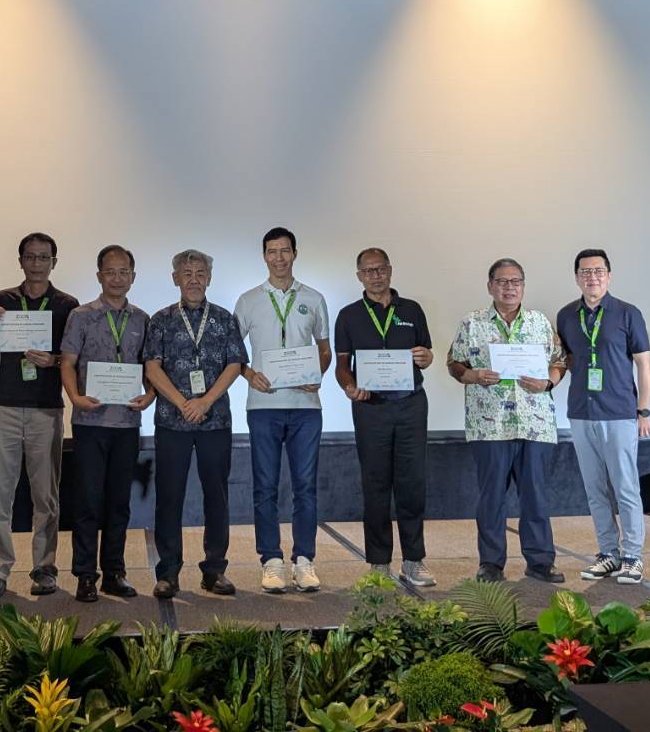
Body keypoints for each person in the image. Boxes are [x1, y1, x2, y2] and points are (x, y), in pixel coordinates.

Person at [446, 257, 565, 585]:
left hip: (535, 423)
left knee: (535, 496)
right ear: (490, 286)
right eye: (502, 281)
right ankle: (491, 563)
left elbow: (559, 361)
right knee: (492, 498)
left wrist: (548, 382)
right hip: (490, 425)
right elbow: (454, 363)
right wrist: (472, 375)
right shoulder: (472, 323)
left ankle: (540, 562)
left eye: (515, 282)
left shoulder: (540, 322)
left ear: (523, 286)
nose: (509, 287)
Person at [0, 232, 80, 599]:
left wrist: (52, 360)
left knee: (45, 495)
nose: (37, 264)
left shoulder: (67, 305)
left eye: (44, 257)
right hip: (4, 405)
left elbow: (74, 360)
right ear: (20, 260)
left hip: (46, 409)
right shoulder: (3, 299)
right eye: (30, 257)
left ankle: (44, 568)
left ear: (54, 262)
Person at [143, 249, 247, 599]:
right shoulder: (160, 320)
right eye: (186, 273)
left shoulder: (224, 318)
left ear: (209, 278)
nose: (193, 279)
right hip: (171, 421)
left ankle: (214, 570)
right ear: (175, 278)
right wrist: (183, 403)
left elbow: (235, 364)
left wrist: (205, 401)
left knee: (217, 496)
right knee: (169, 496)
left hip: (214, 420)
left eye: (200, 273)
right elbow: (152, 367)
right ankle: (168, 572)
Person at [234, 227, 331, 594]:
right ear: (264, 256)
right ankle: (271, 560)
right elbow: (232, 352)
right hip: (264, 406)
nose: (279, 258)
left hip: (306, 407)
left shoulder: (314, 298)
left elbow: (324, 349)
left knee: (306, 487)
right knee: (265, 486)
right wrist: (249, 374)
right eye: (272, 251)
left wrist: (318, 373)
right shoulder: (248, 300)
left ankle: (304, 560)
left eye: (285, 251)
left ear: (295, 254)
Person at [333, 248, 436, 586]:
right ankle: (379, 563)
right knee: (375, 484)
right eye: (368, 271)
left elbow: (426, 354)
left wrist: (427, 358)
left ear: (390, 270)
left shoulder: (412, 310)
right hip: (371, 408)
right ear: (359, 276)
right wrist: (350, 387)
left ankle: (414, 560)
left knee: (412, 484)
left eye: (380, 269)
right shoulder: (349, 315)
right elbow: (342, 366)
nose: (375, 276)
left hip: (410, 404)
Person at [59, 245, 154, 602]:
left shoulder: (143, 319)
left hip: (127, 423)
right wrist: (75, 397)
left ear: (133, 276)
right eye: (110, 272)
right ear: (99, 276)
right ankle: (85, 574)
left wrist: (150, 395)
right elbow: (67, 362)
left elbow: (150, 368)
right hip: (90, 420)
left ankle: (114, 572)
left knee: (119, 502)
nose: (117, 278)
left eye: (123, 271)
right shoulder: (81, 316)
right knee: (87, 500)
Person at [555, 249, 650, 586]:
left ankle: (633, 556)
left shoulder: (627, 313)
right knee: (595, 489)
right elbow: (566, 360)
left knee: (625, 488)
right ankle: (608, 553)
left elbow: (644, 364)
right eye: (585, 272)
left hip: (619, 412)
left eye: (598, 271)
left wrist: (644, 410)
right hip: (581, 413)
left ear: (609, 276)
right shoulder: (566, 316)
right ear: (576, 277)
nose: (592, 277)